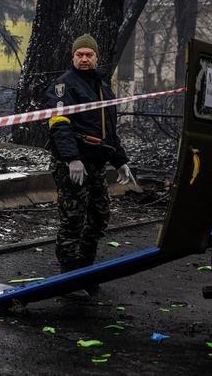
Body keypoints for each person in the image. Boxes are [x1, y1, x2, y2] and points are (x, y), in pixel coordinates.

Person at [44, 34, 136, 280]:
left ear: (96, 57)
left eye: (89, 55)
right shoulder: (63, 86)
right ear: (73, 57)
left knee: (99, 216)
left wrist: (120, 160)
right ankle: (68, 275)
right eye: (79, 55)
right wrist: (72, 158)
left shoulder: (103, 86)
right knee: (73, 219)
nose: (84, 59)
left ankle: (84, 269)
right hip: (73, 165)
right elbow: (59, 125)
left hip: (96, 164)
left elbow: (109, 131)